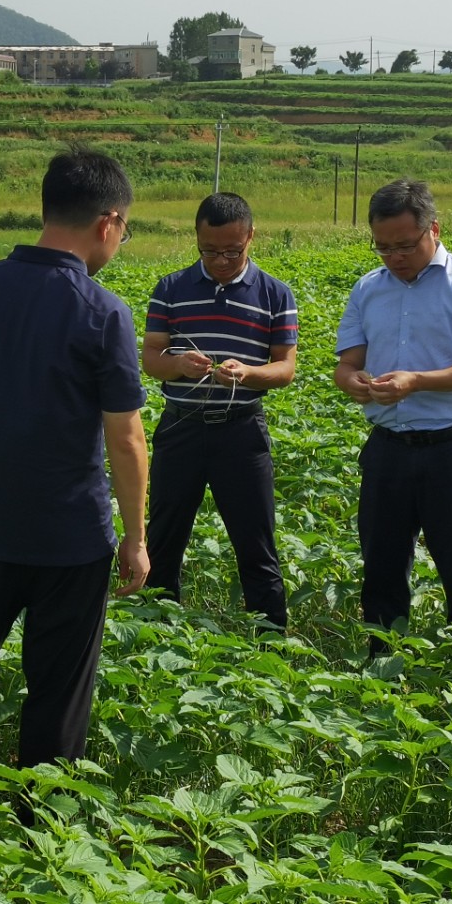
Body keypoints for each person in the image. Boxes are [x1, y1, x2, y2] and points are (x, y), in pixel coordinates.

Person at [0, 145, 150, 768]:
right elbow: (126, 439)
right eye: (124, 230)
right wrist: (135, 537)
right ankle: (39, 812)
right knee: (58, 693)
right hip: (72, 537)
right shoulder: (103, 311)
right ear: (108, 222)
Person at [334, 179, 452, 644]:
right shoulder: (368, 288)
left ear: (433, 229)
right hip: (388, 448)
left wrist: (415, 381)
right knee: (382, 563)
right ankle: (382, 658)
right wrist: (353, 382)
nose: (395, 256)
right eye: (383, 247)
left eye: (405, 245)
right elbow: (347, 364)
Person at [140, 193, 298, 629]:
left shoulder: (275, 294)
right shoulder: (171, 289)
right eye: (209, 251)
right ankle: (156, 632)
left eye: (232, 251)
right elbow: (151, 357)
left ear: (251, 237)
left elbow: (285, 368)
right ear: (196, 238)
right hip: (181, 426)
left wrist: (247, 373)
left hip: (241, 432)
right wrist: (178, 365)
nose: (221, 261)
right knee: (164, 537)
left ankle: (270, 638)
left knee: (256, 542)